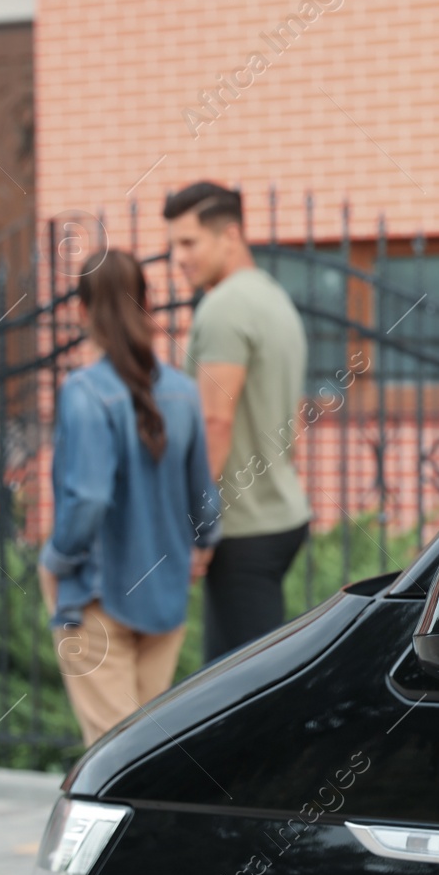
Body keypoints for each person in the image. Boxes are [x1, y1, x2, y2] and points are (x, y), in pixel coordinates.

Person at [38, 250, 221, 746]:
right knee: (145, 754)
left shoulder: (83, 392)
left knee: (113, 759)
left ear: (80, 311)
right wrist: (202, 545)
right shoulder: (183, 392)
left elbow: (89, 498)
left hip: (98, 597)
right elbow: (205, 497)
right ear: (147, 304)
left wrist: (53, 560)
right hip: (165, 597)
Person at [164, 181, 313, 661]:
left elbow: (215, 423)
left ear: (230, 235)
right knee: (229, 680)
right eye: (173, 245)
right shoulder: (273, 297)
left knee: (252, 691)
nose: (178, 258)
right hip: (278, 514)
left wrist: (191, 525)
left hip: (241, 529)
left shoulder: (225, 308)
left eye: (189, 243)